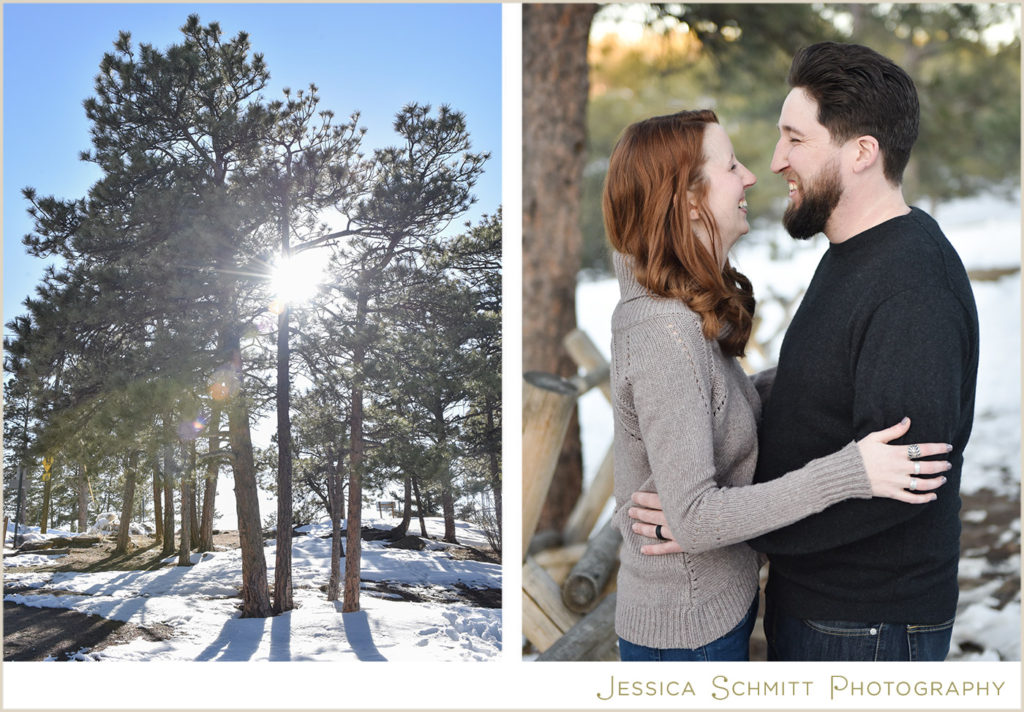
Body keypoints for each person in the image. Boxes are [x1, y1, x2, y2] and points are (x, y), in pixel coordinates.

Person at [628, 42, 979, 662]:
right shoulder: (854, 255)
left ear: (861, 152)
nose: (774, 161)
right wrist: (705, 514)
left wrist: (710, 524)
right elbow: (820, 388)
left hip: (866, 622)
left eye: (795, 139)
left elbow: (903, 478)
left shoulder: (912, 284)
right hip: (819, 605)